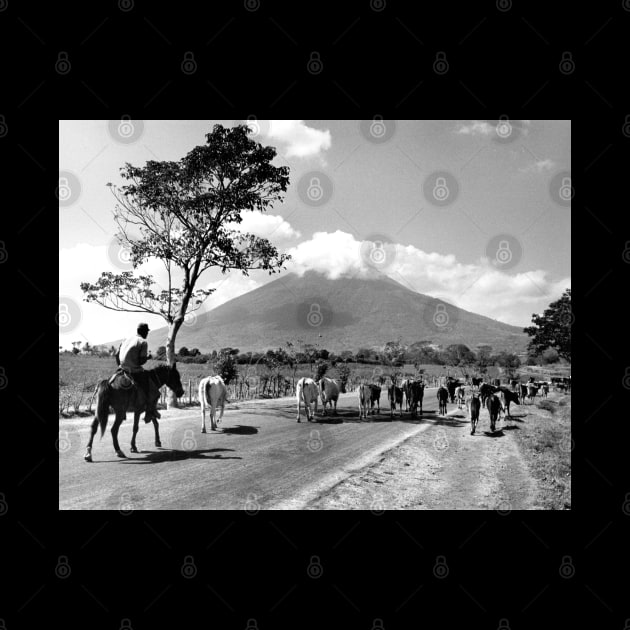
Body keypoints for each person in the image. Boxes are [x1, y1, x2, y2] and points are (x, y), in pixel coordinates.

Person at [116, 322, 160, 423]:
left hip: (122, 368)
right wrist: (147, 358)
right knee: (152, 389)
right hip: (134, 370)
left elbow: (117, 354)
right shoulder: (143, 342)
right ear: (143, 332)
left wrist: (121, 365)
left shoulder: (126, 340)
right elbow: (141, 361)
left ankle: (122, 411)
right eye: (147, 332)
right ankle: (150, 412)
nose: (147, 334)